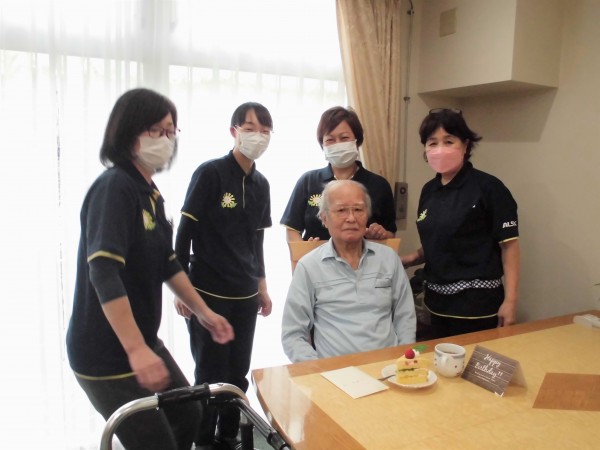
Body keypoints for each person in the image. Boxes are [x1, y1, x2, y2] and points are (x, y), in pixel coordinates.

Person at [65, 88, 234, 450]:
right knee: (155, 442)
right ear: (128, 133)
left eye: (171, 131)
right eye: (156, 130)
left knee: (189, 413)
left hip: (142, 341)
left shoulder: (150, 193)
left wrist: (204, 312)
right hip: (105, 353)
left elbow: (167, 263)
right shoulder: (114, 188)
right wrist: (136, 349)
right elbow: (103, 272)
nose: (166, 139)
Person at [174, 102, 273, 450]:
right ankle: (202, 441)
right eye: (250, 128)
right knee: (208, 376)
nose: (257, 136)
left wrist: (262, 287)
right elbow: (184, 233)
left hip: (245, 296)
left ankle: (228, 436)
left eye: (264, 130)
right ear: (234, 132)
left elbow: (257, 241)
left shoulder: (261, 184)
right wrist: (183, 291)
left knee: (236, 375)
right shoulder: (210, 173)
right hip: (207, 294)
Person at [401, 108, 520, 339]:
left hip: (477, 305)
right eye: (432, 143)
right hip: (436, 302)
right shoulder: (429, 190)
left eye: (449, 141)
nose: (440, 149)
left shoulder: (489, 188)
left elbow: (509, 246)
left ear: (465, 146)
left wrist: (511, 302)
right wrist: (410, 258)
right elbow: (439, 240)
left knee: (473, 359)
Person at [281, 180, 416, 363]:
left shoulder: (389, 258)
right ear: (324, 218)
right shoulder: (309, 266)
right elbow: (293, 335)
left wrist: (403, 360)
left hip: (388, 366)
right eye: (341, 210)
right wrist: (318, 369)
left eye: (358, 210)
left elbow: (405, 316)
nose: (351, 218)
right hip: (334, 371)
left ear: (367, 216)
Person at [280, 106, 396, 242]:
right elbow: (292, 228)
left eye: (344, 138)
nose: (338, 144)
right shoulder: (308, 181)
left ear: (357, 140)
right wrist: (306, 251)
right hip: (316, 255)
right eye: (330, 140)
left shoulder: (379, 185)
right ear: (322, 144)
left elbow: (391, 234)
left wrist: (381, 234)